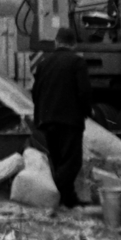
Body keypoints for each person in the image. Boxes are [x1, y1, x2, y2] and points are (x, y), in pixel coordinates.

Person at [32, 26, 93, 207]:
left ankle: (68, 200)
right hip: (69, 121)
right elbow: (84, 92)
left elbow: (36, 93)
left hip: (47, 120)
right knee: (72, 162)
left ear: (56, 42)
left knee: (58, 160)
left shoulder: (43, 63)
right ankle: (50, 191)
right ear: (73, 44)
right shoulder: (77, 63)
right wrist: (88, 111)